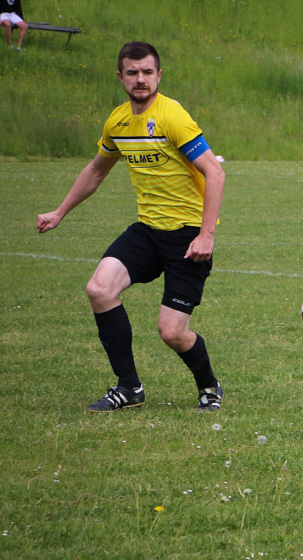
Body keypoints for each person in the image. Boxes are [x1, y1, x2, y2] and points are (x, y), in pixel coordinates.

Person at [37, 42, 226, 412]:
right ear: (121, 76)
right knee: (99, 289)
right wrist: (60, 212)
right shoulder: (118, 122)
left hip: (187, 235)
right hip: (147, 231)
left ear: (159, 75)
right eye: (132, 72)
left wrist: (207, 234)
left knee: (171, 332)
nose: (140, 79)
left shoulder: (173, 117)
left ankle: (209, 385)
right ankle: (129, 389)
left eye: (147, 72)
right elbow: (96, 170)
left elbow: (214, 172)